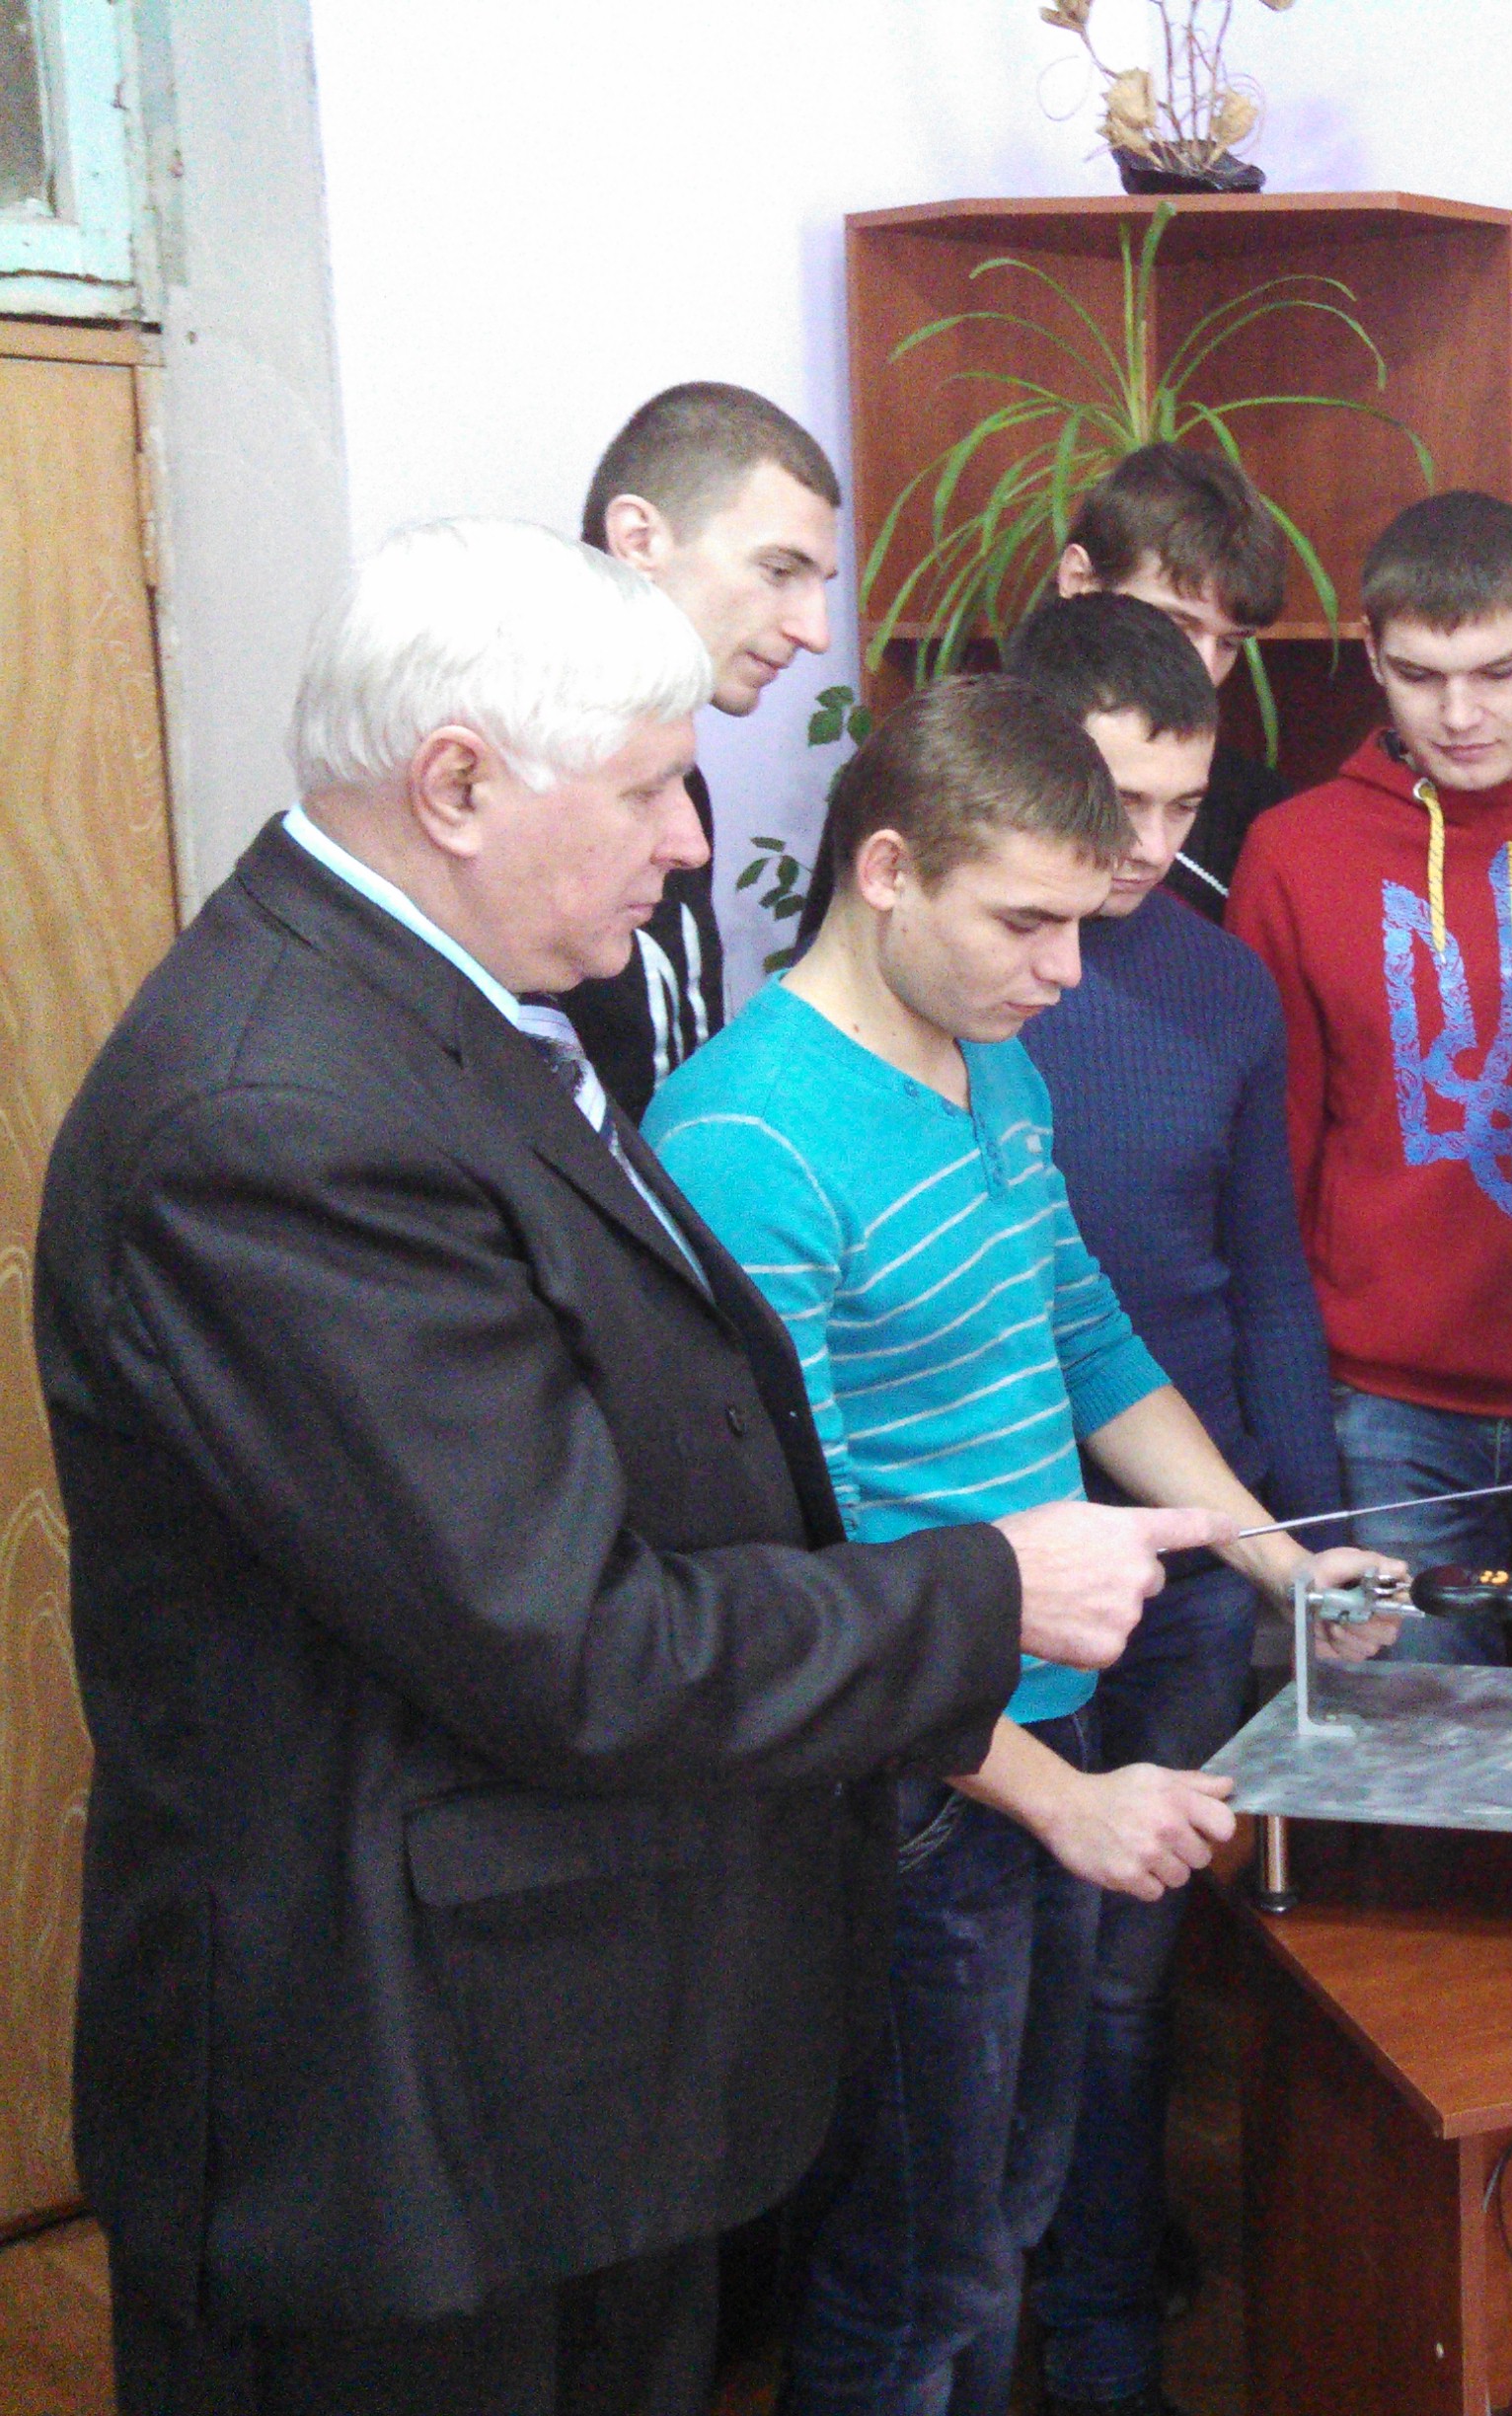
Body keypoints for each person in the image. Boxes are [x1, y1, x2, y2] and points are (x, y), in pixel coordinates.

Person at [38, 519, 1218, 2416]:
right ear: (455, 787)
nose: (689, 841)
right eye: (650, 787)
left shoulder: (457, 1012)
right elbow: (564, 1637)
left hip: (560, 2041)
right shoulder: (275, 1114)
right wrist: (989, 1586)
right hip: (405, 2108)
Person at [647, 673, 1390, 2416]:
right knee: (918, 2272)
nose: (1067, 969)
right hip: (911, 1782)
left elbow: (1086, 1334)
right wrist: (1057, 1801)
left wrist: (1277, 1561)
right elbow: (805, 1573)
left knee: (1013, 2214)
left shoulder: (988, 1060)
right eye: (1026, 922)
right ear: (887, 871)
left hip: (1045, 1715)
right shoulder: (742, 1136)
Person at [1002, 589, 1354, 2416]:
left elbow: (1266, 1276)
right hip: (996, 1558)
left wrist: (1309, 1532)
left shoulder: (1222, 983)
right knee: (985, 1972)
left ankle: (1110, 2336)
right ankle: (987, 2317)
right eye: (1114, 801)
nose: (1149, 845)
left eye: (1184, 803)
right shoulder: (975, 980)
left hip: (1200, 1548)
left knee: (1135, 1975)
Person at [1229, 491, 1512, 1660]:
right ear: (1372, 656)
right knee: (1408, 1741)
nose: (1460, 715)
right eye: (1419, 677)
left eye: (1498, 672)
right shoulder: (1297, 850)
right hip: (1391, 1408)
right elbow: (1278, 1156)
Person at [553, 380, 843, 1116]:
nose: (816, 632)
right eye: (778, 571)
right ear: (640, 541)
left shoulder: (686, 790)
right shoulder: (529, 794)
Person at [1051, 444, 1291, 915]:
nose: (1203, 670)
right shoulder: (949, 770)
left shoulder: (1256, 818)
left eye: (1230, 643)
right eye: (1175, 624)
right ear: (1079, 579)